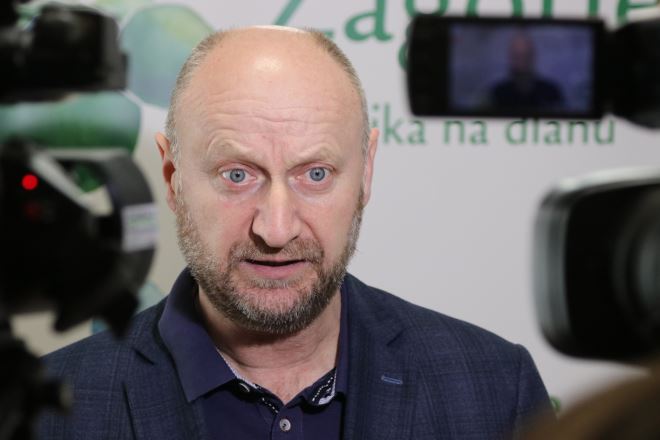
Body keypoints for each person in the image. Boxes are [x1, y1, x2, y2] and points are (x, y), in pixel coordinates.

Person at [39, 26, 552, 439]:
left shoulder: (496, 390)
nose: (276, 230)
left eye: (316, 174)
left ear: (366, 172)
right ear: (173, 178)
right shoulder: (48, 414)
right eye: (237, 175)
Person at [489, 32, 564, 110]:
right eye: (517, 56)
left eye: (526, 56)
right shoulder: (497, 94)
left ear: (533, 57)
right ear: (510, 58)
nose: (521, 62)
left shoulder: (551, 92)